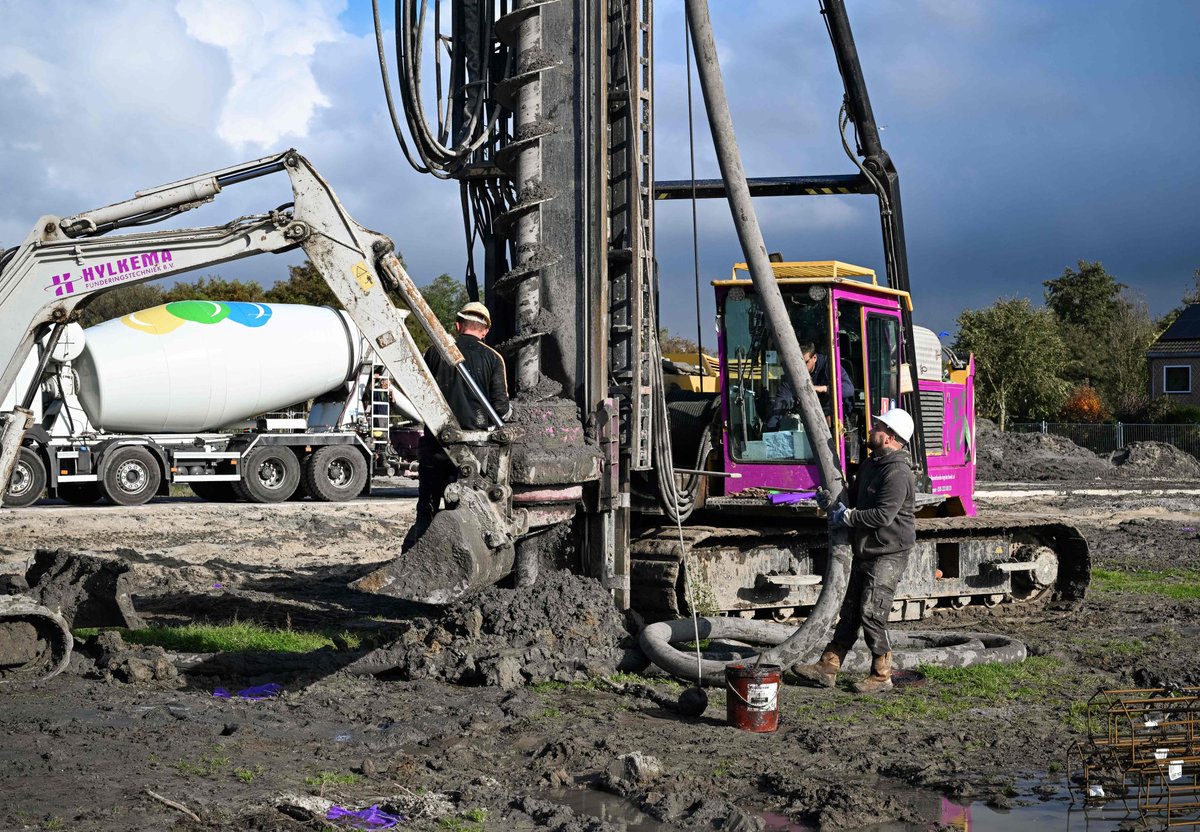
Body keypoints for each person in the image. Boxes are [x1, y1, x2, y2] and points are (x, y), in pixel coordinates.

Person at [791, 407, 916, 693]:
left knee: (872, 612)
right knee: (850, 611)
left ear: (890, 438)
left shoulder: (897, 473)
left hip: (888, 551)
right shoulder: (873, 464)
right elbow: (855, 495)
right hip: (867, 548)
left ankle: (882, 675)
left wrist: (847, 516)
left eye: (878, 427)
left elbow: (883, 515)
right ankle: (829, 666)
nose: (871, 430)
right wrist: (834, 500)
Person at [402, 301, 512, 552]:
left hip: (435, 442)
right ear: (485, 331)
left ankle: (419, 554)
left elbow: (421, 393)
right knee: (463, 506)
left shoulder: (433, 352)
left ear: (458, 326)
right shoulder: (493, 359)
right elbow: (501, 409)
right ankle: (459, 554)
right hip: (472, 447)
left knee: (427, 505)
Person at [766, 343, 856, 429]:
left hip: (837, 422)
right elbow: (781, 401)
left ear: (814, 357)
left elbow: (848, 389)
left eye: (805, 363)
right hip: (807, 421)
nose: (801, 367)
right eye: (798, 363)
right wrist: (771, 431)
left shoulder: (830, 365)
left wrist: (824, 388)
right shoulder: (792, 374)